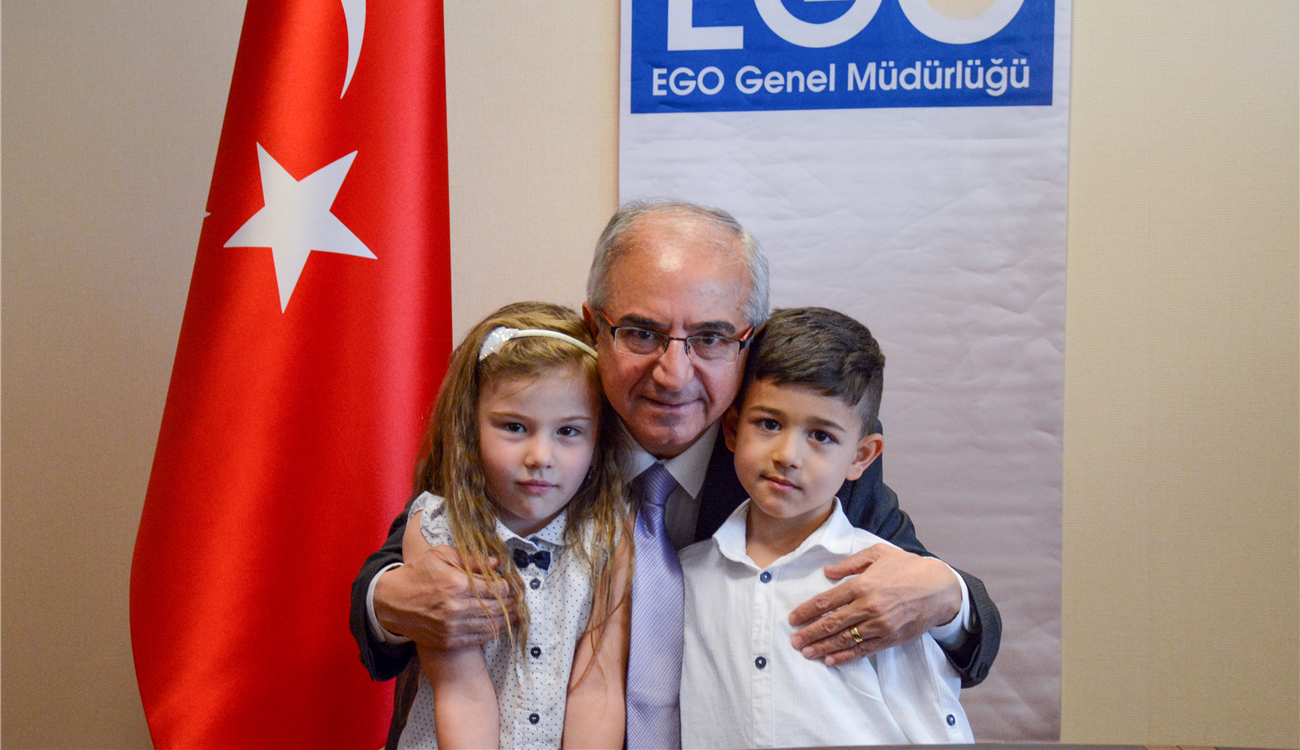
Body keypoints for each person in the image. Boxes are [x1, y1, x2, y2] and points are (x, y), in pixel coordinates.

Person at [351, 200, 1001, 748]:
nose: (673, 373)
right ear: (594, 327)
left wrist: (948, 598)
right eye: (641, 332)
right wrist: (391, 600)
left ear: (749, 342)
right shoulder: (542, 435)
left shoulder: (797, 463)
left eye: (711, 338)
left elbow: (958, 624)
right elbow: (395, 573)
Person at [680, 307, 973, 748]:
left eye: (821, 436)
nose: (788, 455)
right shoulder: (685, 575)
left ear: (861, 457)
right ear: (733, 429)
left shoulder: (885, 581)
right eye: (769, 424)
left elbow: (931, 721)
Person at [392, 302, 631, 749]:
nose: (540, 457)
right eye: (515, 427)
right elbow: (463, 695)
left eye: (569, 431)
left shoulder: (608, 536)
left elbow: (597, 690)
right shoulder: (438, 529)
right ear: (470, 426)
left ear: (599, 438)